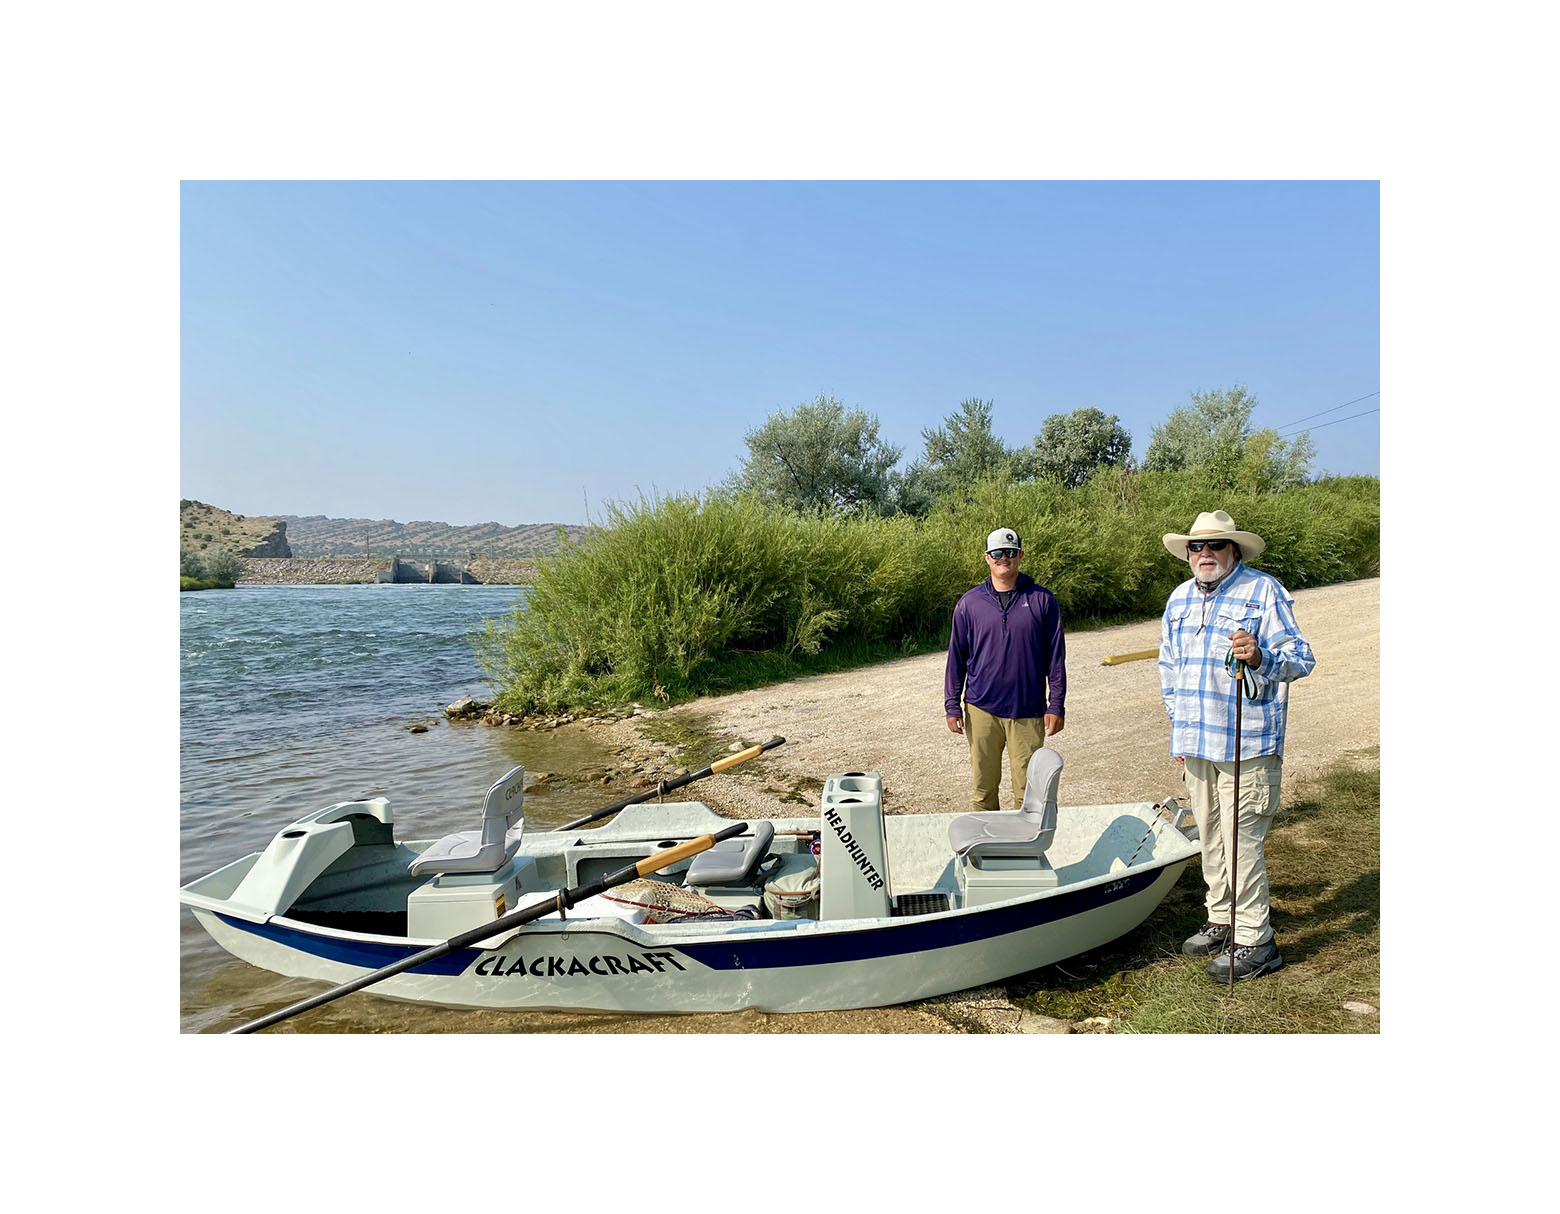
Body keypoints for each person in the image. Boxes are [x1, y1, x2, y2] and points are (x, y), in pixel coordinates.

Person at [1158, 510, 1315, 982]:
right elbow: (1169, 668)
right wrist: (1179, 731)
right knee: (1208, 834)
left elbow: (1301, 658)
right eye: (1196, 547)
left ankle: (1256, 941)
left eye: (1215, 546)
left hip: (1248, 742)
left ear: (1234, 550)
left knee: (1241, 841)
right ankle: (1221, 919)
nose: (1204, 554)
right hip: (1197, 742)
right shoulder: (1180, 598)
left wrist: (1262, 656)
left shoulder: (1263, 591)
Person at [944, 527, 1067, 813]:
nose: (1004, 558)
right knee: (982, 792)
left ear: (1020, 556)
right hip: (980, 709)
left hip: (1028, 712)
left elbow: (1055, 658)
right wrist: (952, 706)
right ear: (987, 558)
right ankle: (985, 852)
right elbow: (956, 659)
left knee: (1029, 794)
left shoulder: (1042, 600)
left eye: (1011, 553)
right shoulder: (969, 604)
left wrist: (1056, 704)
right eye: (998, 553)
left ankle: (1024, 853)